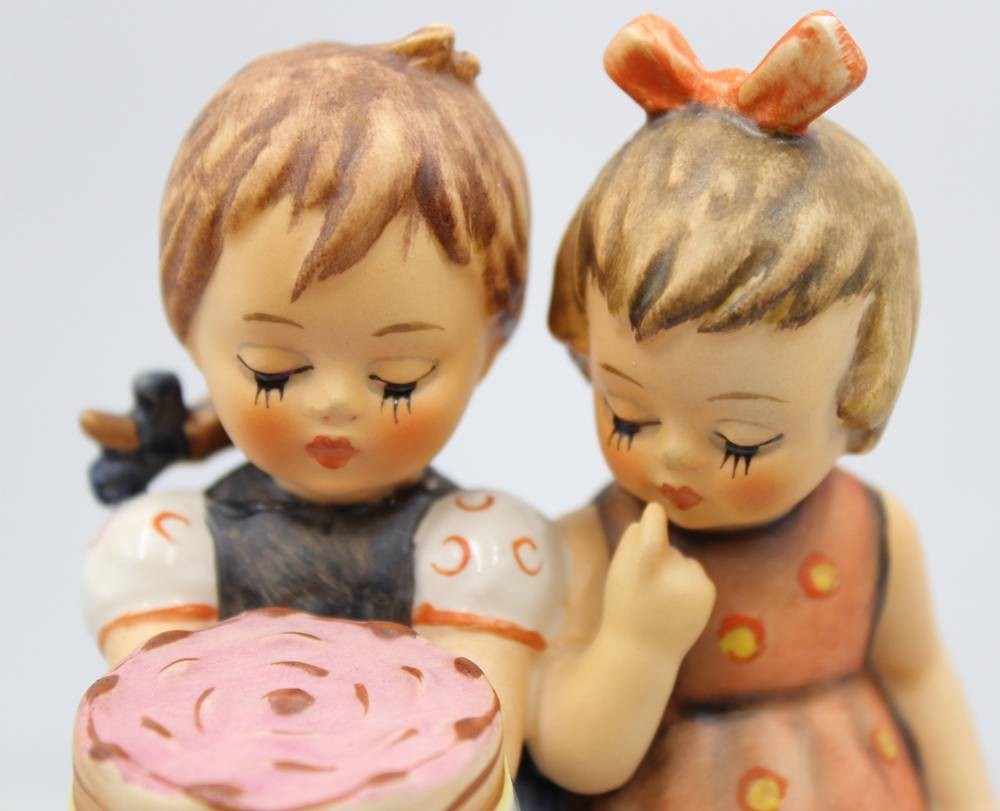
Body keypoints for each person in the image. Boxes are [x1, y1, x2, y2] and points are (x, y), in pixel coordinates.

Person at [535, 11, 995, 809]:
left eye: (741, 442)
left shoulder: (877, 534)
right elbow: (570, 756)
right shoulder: (593, 546)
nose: (674, 459)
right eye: (629, 415)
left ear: (857, 399)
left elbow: (923, 682)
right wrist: (636, 645)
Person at [81, 25, 555, 785]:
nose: (335, 404)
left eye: (399, 378)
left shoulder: (474, 552)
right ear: (189, 328)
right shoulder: (170, 551)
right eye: (272, 372)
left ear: (489, 348)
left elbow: (478, 771)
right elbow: (155, 763)